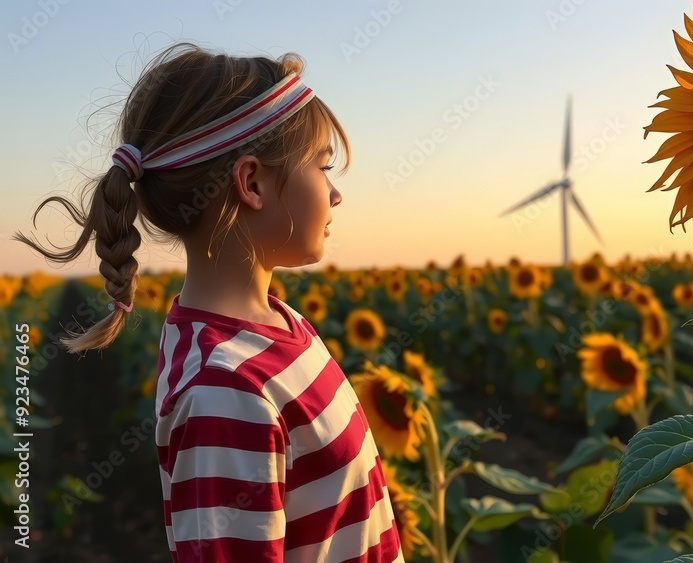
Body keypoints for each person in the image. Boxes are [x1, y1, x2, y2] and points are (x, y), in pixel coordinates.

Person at [15, 41, 404, 562]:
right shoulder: (226, 391)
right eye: (322, 166)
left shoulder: (280, 324)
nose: (335, 195)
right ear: (251, 182)